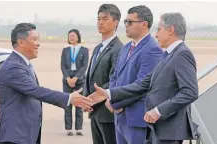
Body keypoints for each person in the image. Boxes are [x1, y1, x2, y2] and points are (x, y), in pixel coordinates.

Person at [89, 13, 199, 144]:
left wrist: (158, 111)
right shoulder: (168, 55)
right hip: (157, 127)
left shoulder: (182, 54)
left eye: (159, 29)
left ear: (171, 30)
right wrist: (109, 93)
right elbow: (143, 83)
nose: (156, 35)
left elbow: (190, 92)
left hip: (169, 129)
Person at [0, 23, 93, 144]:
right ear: (21, 42)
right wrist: (68, 98)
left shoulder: (23, 63)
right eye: (35, 39)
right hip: (15, 136)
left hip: (24, 134)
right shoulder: (13, 67)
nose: (38, 43)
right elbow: (36, 91)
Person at [107, 5, 163, 144]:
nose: (126, 25)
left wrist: (115, 102)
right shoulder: (126, 48)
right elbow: (115, 76)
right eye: (125, 22)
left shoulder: (152, 50)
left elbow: (143, 85)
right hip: (120, 118)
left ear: (144, 24)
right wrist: (111, 98)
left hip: (136, 119)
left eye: (130, 22)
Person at [83, 4, 123, 144]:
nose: (100, 22)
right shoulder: (97, 48)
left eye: (105, 19)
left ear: (115, 22)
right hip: (94, 111)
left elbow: (115, 79)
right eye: (98, 19)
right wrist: (85, 99)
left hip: (107, 113)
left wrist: (91, 100)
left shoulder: (119, 49)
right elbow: (89, 76)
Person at [61, 29, 89, 136]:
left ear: (78, 37)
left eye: (73, 35)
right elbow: (62, 65)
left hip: (79, 80)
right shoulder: (65, 50)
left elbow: (84, 66)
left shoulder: (84, 50)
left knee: (79, 104)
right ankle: (68, 128)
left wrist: (76, 78)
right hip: (67, 80)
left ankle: (79, 128)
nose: (71, 37)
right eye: (69, 36)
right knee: (67, 104)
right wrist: (68, 78)